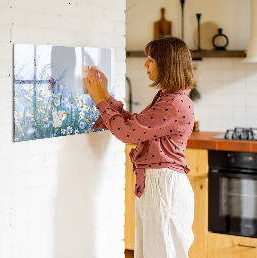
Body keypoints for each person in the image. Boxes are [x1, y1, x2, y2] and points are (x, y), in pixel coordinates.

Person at [84, 36, 196, 258]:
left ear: (167, 64)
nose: (145, 64)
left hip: (164, 187)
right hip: (159, 185)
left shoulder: (173, 103)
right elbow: (135, 125)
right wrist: (105, 96)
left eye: (151, 59)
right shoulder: (169, 98)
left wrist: (99, 100)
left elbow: (127, 133)